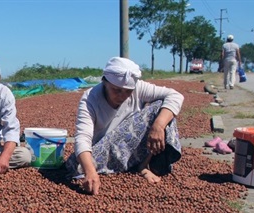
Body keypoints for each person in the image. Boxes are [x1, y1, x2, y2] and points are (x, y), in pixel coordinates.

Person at [65, 57, 184, 194]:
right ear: (104, 82)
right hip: (102, 150)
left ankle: (144, 165)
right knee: (76, 166)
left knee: (163, 110)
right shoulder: (90, 98)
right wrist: (90, 172)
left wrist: (158, 126)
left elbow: (175, 96)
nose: (122, 95)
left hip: (131, 146)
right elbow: (82, 137)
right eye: (116, 90)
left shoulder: (138, 88)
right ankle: (134, 166)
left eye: (128, 91)